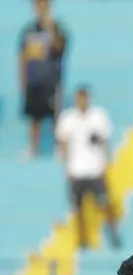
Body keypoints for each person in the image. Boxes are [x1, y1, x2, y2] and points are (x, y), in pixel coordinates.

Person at [55, 85, 121, 250]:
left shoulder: (99, 116)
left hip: (95, 170)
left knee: (106, 204)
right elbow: (63, 144)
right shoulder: (68, 118)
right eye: (79, 97)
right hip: (76, 170)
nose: (82, 101)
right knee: (78, 209)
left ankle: (114, 234)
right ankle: (82, 240)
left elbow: (106, 141)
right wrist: (67, 167)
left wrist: (106, 162)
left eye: (85, 97)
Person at [18, 0, 67, 158]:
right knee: (34, 117)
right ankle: (33, 147)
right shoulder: (28, 30)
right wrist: (23, 80)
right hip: (34, 80)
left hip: (51, 81)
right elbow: (22, 57)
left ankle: (59, 148)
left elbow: (60, 48)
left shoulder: (57, 28)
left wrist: (49, 27)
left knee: (55, 117)